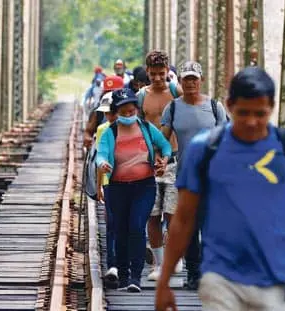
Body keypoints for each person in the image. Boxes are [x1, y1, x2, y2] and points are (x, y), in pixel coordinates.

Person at [155, 67, 285, 311]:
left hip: (278, 280)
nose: (252, 122)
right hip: (222, 282)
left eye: (260, 114)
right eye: (243, 113)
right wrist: (164, 282)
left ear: (272, 108)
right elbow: (184, 219)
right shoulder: (205, 150)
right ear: (230, 106)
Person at [159, 61, 228, 289]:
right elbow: (164, 139)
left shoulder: (215, 107)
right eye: (186, 78)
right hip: (186, 178)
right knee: (190, 227)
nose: (190, 83)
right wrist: (160, 158)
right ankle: (193, 273)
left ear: (201, 80)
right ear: (179, 81)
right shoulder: (174, 108)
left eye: (193, 79)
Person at [96, 88, 172, 292]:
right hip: (117, 188)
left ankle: (135, 277)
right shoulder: (110, 132)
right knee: (120, 230)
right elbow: (100, 154)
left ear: (136, 110)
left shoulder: (147, 128)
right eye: (124, 112)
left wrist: (164, 161)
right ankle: (123, 275)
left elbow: (165, 146)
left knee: (137, 226)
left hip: (143, 185)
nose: (128, 115)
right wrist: (103, 164)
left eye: (131, 111)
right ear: (116, 112)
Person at [137, 50, 182, 281]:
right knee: (152, 216)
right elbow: (135, 125)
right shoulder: (141, 96)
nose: (157, 78)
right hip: (149, 163)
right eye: (153, 74)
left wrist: (176, 84)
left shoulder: (174, 91)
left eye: (161, 74)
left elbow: (191, 105)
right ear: (147, 72)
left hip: (173, 161)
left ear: (168, 72)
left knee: (172, 214)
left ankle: (175, 258)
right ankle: (158, 264)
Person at [94, 92, 119, 288]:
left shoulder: (131, 128)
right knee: (111, 224)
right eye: (107, 113)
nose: (110, 116)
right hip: (109, 183)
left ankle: (123, 263)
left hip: (130, 181)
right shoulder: (102, 130)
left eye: (112, 112)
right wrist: (98, 186)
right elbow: (98, 160)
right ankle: (112, 264)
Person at [84, 75, 125, 149]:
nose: (111, 96)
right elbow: (88, 132)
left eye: (114, 93)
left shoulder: (129, 110)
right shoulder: (98, 112)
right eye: (108, 92)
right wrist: (88, 139)